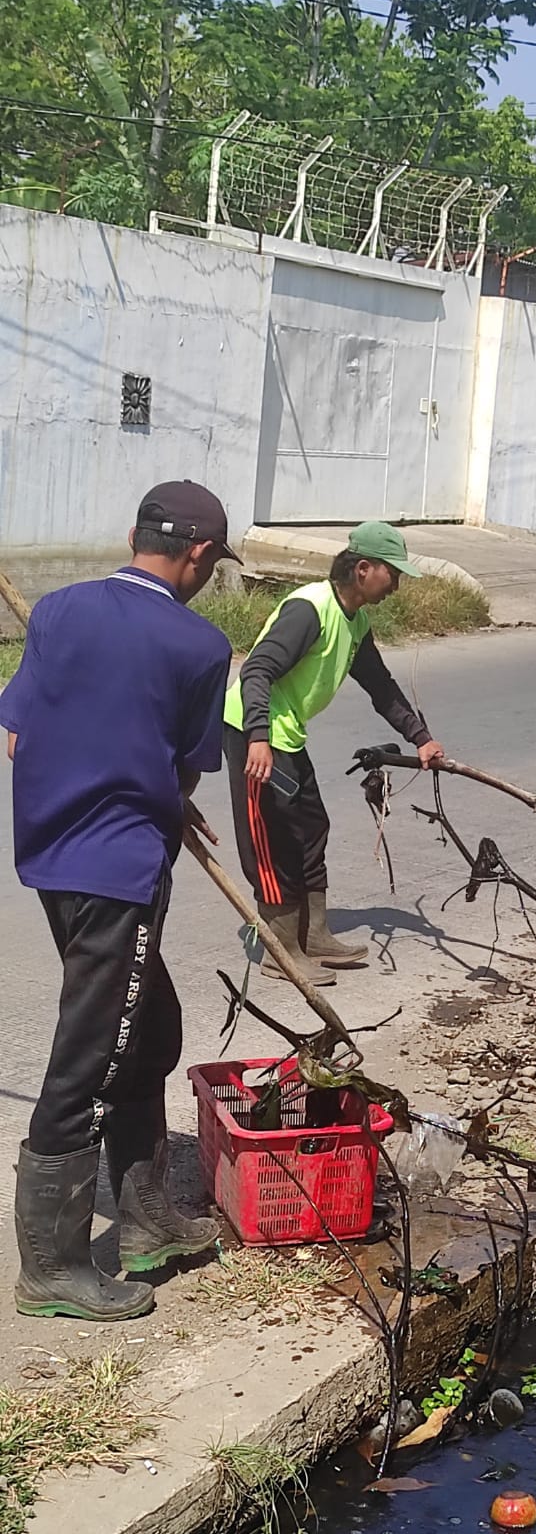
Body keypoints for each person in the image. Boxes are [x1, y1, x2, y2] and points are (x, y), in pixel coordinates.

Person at [0, 481, 238, 1321]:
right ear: (199, 554)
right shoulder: (201, 645)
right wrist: (161, 795)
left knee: (151, 1027)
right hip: (118, 871)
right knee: (92, 1056)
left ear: (133, 534)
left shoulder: (58, 611)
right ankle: (52, 1268)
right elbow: (184, 768)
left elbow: (17, 737)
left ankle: (145, 1219)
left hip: (54, 855)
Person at [223, 522, 446, 987]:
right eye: (392, 573)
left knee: (312, 828)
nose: (396, 584)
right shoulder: (310, 610)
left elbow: (381, 686)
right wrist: (258, 736)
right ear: (363, 569)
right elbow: (257, 669)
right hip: (254, 733)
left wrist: (420, 737)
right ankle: (281, 951)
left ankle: (315, 935)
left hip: (286, 733)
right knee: (274, 842)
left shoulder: (355, 620)